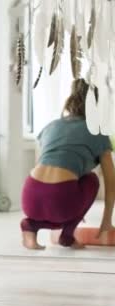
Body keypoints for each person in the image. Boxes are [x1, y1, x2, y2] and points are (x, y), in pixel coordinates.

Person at [20, 78, 115, 249]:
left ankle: (30, 226)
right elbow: (111, 183)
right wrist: (106, 222)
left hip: (30, 195)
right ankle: (67, 234)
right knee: (91, 179)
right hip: (61, 199)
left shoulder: (52, 126)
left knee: (58, 200)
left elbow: (46, 163)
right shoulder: (98, 131)